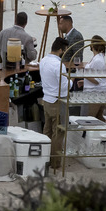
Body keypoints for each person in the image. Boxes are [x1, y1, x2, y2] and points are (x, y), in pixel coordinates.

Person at [37, 36, 71, 169]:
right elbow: (64, 86)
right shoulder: (59, 65)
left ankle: (45, 159)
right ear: (61, 50)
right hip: (58, 101)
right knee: (59, 132)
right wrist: (71, 82)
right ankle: (55, 162)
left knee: (47, 131)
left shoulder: (43, 60)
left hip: (46, 99)